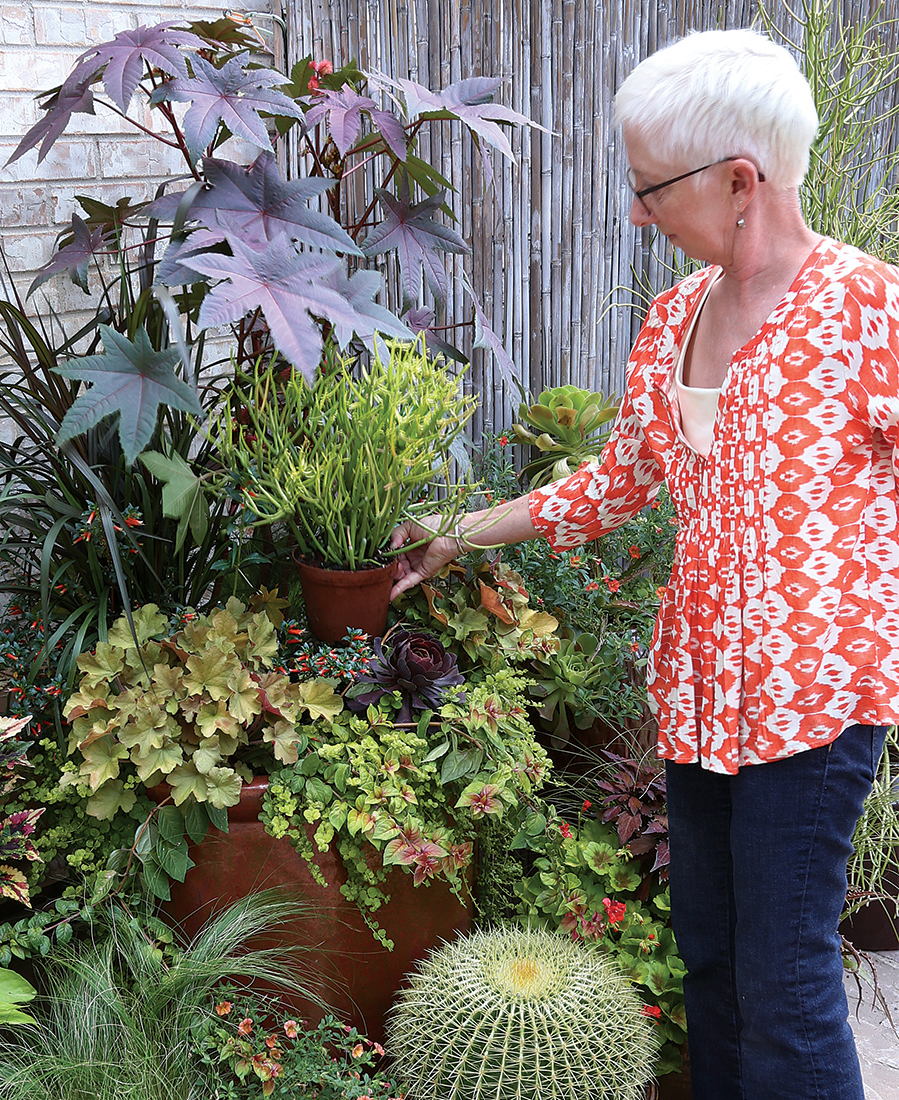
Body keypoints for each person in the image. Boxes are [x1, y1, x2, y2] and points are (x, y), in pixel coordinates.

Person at [389, 27, 899, 1100]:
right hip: (698, 695)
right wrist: (459, 531)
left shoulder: (868, 312)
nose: (635, 213)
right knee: (712, 961)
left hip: (813, 705)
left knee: (786, 976)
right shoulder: (675, 315)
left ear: (740, 181)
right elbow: (615, 482)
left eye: (649, 188)